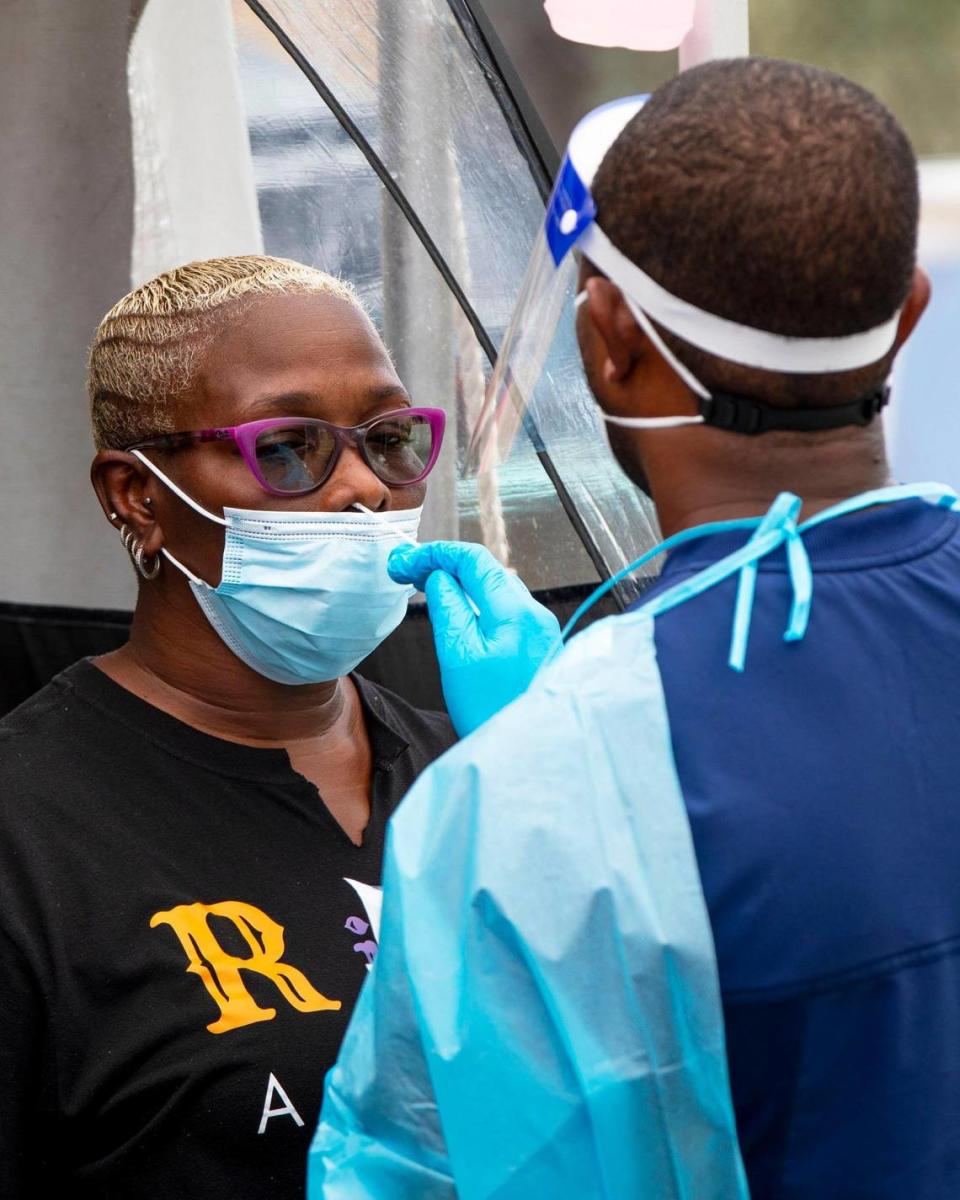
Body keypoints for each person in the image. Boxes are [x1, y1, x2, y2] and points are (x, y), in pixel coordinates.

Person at [311, 60, 960, 1198]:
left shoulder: (521, 796)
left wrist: (547, 780)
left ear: (605, 340)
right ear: (907, 316)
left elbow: (423, 1165)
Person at [0, 255, 456, 1197]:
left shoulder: (473, 764)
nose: (365, 489)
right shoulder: (29, 840)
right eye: (288, 449)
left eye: (390, 438)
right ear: (137, 495)